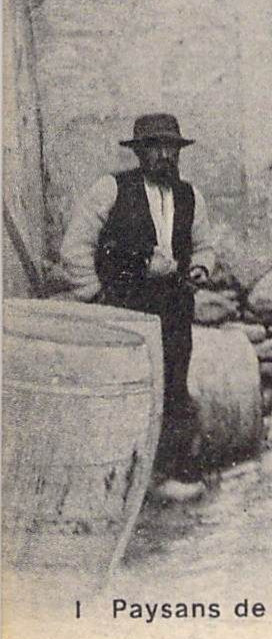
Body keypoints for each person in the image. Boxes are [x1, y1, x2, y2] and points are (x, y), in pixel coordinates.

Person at [59, 114, 217, 503]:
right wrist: (96, 297)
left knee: (175, 386)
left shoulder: (190, 195)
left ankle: (174, 472)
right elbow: (75, 249)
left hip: (175, 310)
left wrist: (200, 267)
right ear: (140, 153)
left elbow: (204, 246)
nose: (165, 156)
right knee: (129, 392)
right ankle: (125, 485)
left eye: (171, 149)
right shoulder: (110, 190)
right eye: (155, 148)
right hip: (126, 312)